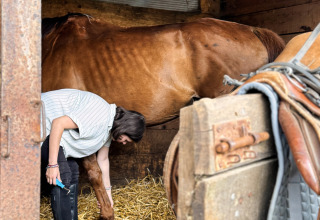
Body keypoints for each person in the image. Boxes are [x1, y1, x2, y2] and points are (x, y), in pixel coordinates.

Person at [40, 89, 146, 220]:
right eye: (126, 139)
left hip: (58, 137)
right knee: (63, 175)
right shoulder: (99, 116)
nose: (124, 143)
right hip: (38, 123)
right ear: (124, 128)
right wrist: (52, 165)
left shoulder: (108, 128)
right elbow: (58, 123)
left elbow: (103, 160)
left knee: (73, 170)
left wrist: (108, 197)